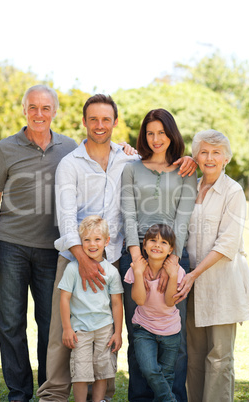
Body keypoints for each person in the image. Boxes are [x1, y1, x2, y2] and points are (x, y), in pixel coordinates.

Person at [37, 96, 196, 402]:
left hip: (128, 259)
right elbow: (72, 218)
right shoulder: (77, 164)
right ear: (84, 121)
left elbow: (179, 213)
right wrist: (97, 260)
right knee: (77, 332)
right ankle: (56, 396)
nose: (99, 125)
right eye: (93, 119)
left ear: (115, 122)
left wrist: (168, 263)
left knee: (133, 331)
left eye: (106, 119)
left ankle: (115, 395)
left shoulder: (130, 159)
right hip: (86, 257)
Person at [0, 85, 78, 402]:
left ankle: (49, 390)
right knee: (9, 323)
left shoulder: (69, 148)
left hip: (52, 250)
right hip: (9, 246)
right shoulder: (4, 149)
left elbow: (101, 155)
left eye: (45, 108)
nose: (39, 114)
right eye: (33, 107)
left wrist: (128, 150)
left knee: (50, 325)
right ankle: (19, 392)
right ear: (24, 110)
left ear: (54, 112)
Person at [120, 108, 197, 401]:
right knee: (139, 334)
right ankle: (140, 397)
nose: (155, 139)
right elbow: (128, 214)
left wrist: (171, 262)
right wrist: (136, 258)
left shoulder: (186, 170)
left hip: (174, 257)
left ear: (171, 134)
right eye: (150, 133)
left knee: (173, 338)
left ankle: (173, 396)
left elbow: (183, 218)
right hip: (136, 256)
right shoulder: (131, 168)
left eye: (161, 133)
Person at [174, 129, 249, 402]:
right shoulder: (190, 185)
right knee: (195, 356)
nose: (210, 157)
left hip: (222, 283)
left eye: (216, 152)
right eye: (204, 151)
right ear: (196, 156)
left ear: (226, 158)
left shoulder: (233, 191)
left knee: (220, 357)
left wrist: (193, 273)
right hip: (192, 285)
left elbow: (227, 243)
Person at [59, 215, 123, 402]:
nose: (92, 244)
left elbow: (117, 303)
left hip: (104, 328)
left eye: (97, 239)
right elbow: (64, 298)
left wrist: (117, 332)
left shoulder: (111, 271)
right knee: (81, 372)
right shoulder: (72, 268)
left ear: (106, 241)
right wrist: (67, 328)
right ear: (81, 242)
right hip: (80, 329)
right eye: (86, 240)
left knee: (102, 371)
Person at [124, 224, 186, 402]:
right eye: (153, 240)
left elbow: (169, 301)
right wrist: (138, 272)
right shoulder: (136, 269)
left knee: (166, 375)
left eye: (163, 242)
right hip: (144, 329)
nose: (157, 245)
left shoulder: (177, 271)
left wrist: (173, 275)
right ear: (144, 245)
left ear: (170, 249)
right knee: (149, 369)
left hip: (171, 332)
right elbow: (140, 300)